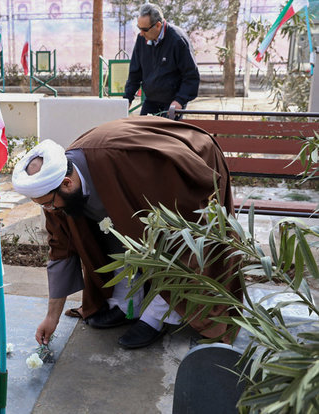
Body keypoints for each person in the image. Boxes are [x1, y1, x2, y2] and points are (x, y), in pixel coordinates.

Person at [12, 117, 241, 349]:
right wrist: (52, 317)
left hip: (188, 169)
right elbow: (60, 248)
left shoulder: (126, 162)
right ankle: (127, 302)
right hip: (145, 173)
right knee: (109, 230)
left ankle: (159, 315)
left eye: (49, 204)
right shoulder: (54, 188)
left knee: (172, 241)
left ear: (67, 183)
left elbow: (183, 222)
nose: (50, 211)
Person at [123, 4, 200, 117]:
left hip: (173, 102)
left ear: (158, 25)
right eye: (139, 28)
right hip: (151, 100)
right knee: (142, 132)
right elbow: (135, 73)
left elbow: (191, 76)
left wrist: (180, 100)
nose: (141, 33)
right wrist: (127, 99)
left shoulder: (178, 40)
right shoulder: (142, 39)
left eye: (144, 29)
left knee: (165, 134)